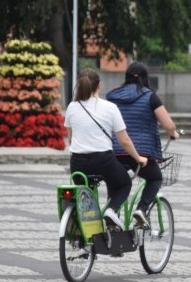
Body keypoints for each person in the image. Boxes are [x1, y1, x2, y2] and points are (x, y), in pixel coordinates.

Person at [64, 68, 147, 230]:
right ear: (99, 85)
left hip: (77, 163)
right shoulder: (109, 108)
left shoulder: (72, 107)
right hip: (103, 161)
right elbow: (124, 141)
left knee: (85, 199)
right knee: (124, 184)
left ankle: (85, 239)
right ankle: (111, 211)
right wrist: (138, 158)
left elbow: (71, 139)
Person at [106, 62, 180, 227]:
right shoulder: (150, 96)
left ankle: (111, 221)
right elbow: (169, 125)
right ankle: (142, 209)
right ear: (145, 78)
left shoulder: (112, 96)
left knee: (117, 185)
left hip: (115, 150)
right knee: (155, 178)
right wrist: (173, 134)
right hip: (141, 154)